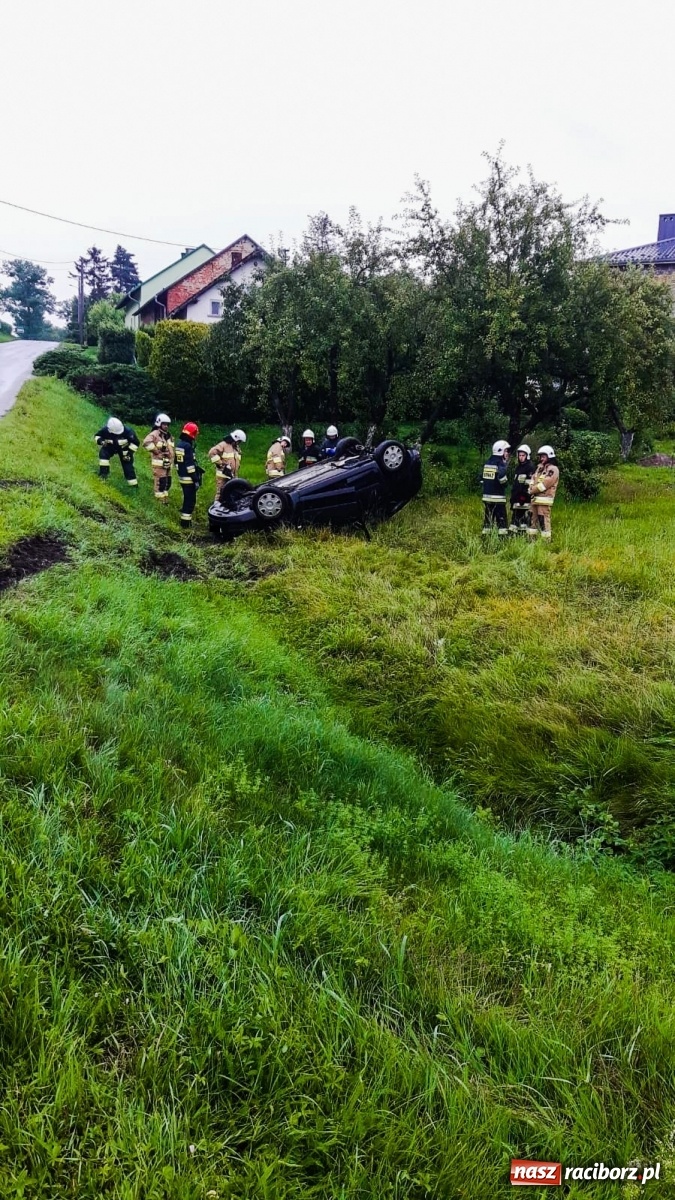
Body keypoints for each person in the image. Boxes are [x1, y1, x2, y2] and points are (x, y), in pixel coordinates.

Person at [94, 417, 140, 486]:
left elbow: (136, 443)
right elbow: (97, 436)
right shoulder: (105, 430)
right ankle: (103, 474)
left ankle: (133, 484)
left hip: (124, 449)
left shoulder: (128, 431)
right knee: (103, 454)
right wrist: (101, 442)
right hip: (110, 447)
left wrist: (129, 453)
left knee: (127, 465)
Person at [528, 445, 559, 541]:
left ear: (549, 456)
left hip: (544, 501)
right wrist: (531, 486)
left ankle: (546, 542)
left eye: (543, 456)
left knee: (543, 521)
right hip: (534, 500)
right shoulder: (539, 468)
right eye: (540, 456)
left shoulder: (553, 469)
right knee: (531, 520)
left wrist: (532, 490)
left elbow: (545, 484)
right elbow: (533, 479)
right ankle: (531, 540)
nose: (541, 458)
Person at [175, 422, 203, 528]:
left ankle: (185, 522)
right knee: (190, 502)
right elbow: (190, 466)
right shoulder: (187, 446)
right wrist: (195, 479)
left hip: (182, 477)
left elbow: (176, 462)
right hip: (189, 479)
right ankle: (186, 524)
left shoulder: (179, 445)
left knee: (187, 499)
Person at [142, 413, 174, 503]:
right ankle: (159, 502)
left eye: (167, 424)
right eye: (164, 424)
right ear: (159, 423)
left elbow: (171, 449)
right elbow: (146, 442)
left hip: (167, 463)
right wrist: (156, 451)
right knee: (161, 482)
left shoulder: (168, 436)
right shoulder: (155, 434)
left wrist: (172, 459)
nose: (166, 426)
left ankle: (165, 500)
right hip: (159, 463)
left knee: (168, 483)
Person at [208, 429, 247, 503]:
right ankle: (216, 508)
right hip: (223, 475)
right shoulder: (223, 445)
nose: (239, 443)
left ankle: (227, 509)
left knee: (231, 493)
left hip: (232, 475)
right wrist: (221, 464)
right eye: (239, 441)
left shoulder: (236, 447)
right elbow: (211, 453)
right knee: (220, 493)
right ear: (236, 439)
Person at [481, 439, 510, 536]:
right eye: (506, 451)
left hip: (486, 497)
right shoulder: (500, 463)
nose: (507, 453)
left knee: (488, 519)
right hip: (498, 498)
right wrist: (506, 484)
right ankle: (502, 539)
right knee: (501, 520)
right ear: (500, 451)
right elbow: (502, 477)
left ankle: (486, 538)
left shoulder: (488, 462)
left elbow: (481, 479)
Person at [509, 443, 534, 532]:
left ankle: (517, 534)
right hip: (516, 498)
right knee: (517, 517)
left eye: (523, 455)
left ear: (527, 456)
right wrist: (513, 498)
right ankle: (517, 534)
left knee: (521, 518)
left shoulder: (530, 467)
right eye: (519, 455)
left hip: (524, 499)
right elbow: (516, 484)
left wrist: (523, 497)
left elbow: (529, 484)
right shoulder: (518, 467)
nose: (521, 457)